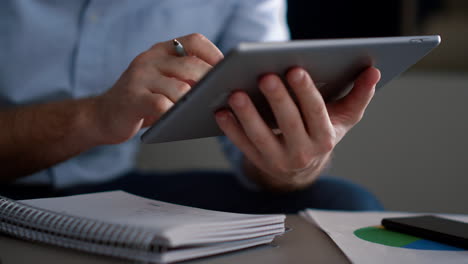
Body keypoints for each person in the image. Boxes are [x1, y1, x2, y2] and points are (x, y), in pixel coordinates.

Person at [0, 0, 383, 213]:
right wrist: (94, 118)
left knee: (341, 203)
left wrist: (293, 163)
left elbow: (256, 140)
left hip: (111, 187)